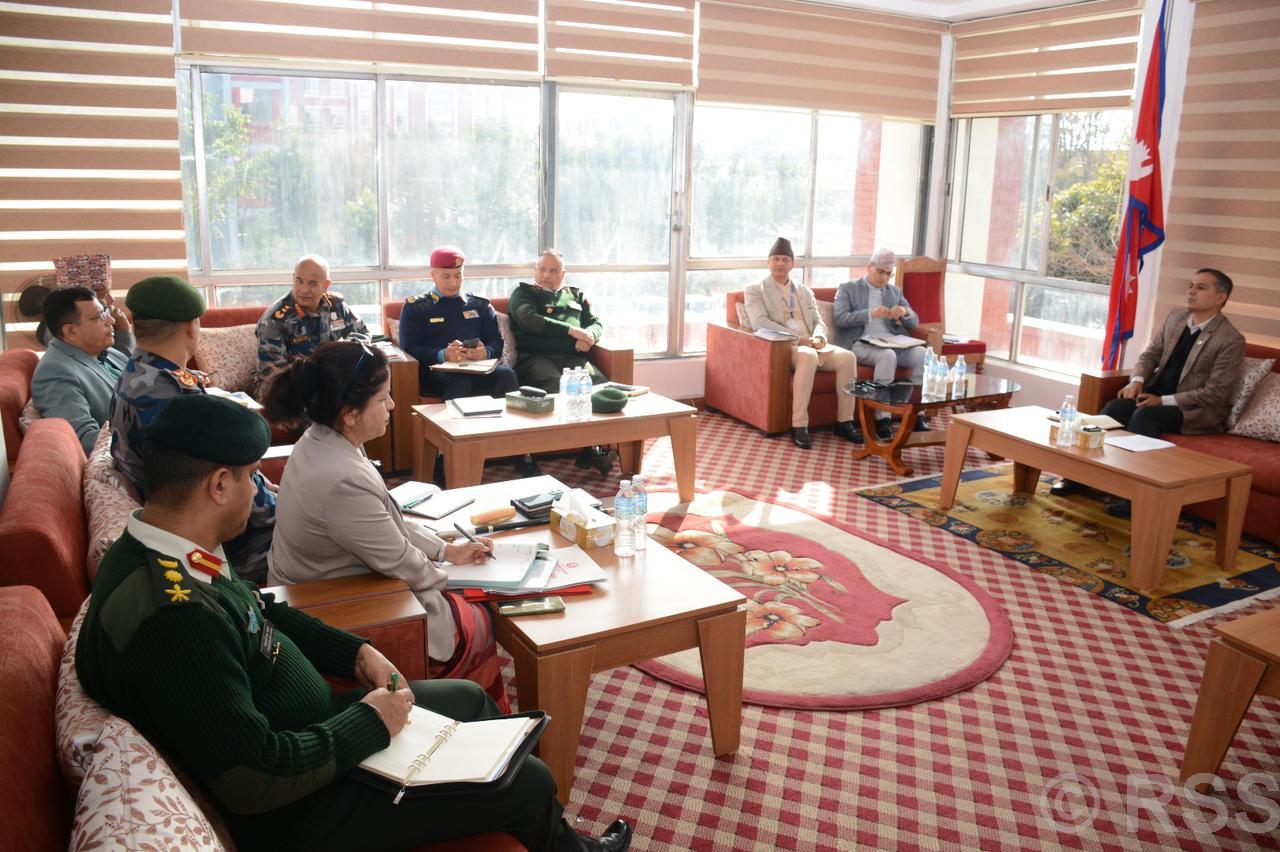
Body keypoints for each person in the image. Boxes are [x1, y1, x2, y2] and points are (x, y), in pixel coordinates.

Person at [75, 393, 633, 852]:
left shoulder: (165, 546)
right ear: (218, 485)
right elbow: (255, 777)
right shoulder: (175, 617)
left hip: (312, 731)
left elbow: (260, 611)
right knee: (529, 781)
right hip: (304, 804)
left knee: (468, 699)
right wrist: (370, 722)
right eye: (252, 477)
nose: (260, 490)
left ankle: (554, 839)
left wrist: (354, 653)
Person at [264, 339, 510, 711]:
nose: (392, 406)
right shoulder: (342, 479)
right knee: (477, 617)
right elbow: (400, 560)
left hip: (319, 582)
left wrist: (447, 550)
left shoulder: (322, 440)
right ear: (349, 412)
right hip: (332, 601)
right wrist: (455, 580)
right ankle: (474, 716)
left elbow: (383, 519)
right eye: (383, 399)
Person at [109, 274, 277, 583]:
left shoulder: (132, 376)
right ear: (191, 327)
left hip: (182, 523)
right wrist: (288, 506)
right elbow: (235, 497)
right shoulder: (175, 400)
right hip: (222, 543)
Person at [1051, 267, 1246, 517]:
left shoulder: (1230, 339)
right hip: (1153, 395)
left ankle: (1137, 498)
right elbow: (1150, 354)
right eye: (1190, 285)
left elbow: (1216, 392)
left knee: (1145, 416)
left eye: (1200, 287)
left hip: (1193, 410)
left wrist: (1162, 401)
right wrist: (1137, 380)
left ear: (1220, 297)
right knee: (1114, 408)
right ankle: (1078, 477)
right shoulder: (1176, 318)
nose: (1191, 291)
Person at [744, 237, 861, 449]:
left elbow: (818, 321)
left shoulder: (804, 291)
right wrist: (799, 339)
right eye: (776, 259)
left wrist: (820, 337)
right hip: (784, 347)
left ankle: (844, 421)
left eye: (785, 259)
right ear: (768, 262)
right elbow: (759, 322)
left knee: (848, 357)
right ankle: (799, 425)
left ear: (792, 264)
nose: (780, 263)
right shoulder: (755, 289)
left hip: (813, 344)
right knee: (808, 356)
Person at [508, 249, 614, 473]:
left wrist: (590, 336)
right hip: (535, 358)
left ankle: (591, 449)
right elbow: (529, 319)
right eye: (542, 269)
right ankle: (526, 455)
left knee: (600, 387)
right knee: (557, 386)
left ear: (563, 274)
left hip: (573, 358)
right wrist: (572, 331)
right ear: (535, 271)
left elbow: (595, 322)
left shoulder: (575, 295)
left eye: (553, 271)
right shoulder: (524, 293)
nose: (546, 275)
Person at [399, 245, 519, 400]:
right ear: (433, 275)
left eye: (458, 275)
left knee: (507, 375)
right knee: (460, 380)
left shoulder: (480, 305)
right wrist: (443, 355)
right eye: (446, 276)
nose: (453, 283)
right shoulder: (416, 308)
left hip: (478, 368)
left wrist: (486, 352)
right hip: (436, 372)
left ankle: (509, 417)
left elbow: (496, 342)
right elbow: (409, 348)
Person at [833, 248, 929, 439]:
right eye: (880, 272)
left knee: (922, 354)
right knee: (887, 356)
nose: (884, 278)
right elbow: (840, 319)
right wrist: (870, 313)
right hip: (861, 343)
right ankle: (882, 417)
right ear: (869, 266)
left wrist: (904, 312)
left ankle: (914, 412)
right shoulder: (848, 288)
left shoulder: (894, 292)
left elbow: (914, 322)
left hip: (891, 341)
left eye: (888, 274)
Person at [253, 254, 369, 398]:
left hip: (329, 384)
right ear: (293, 279)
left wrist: (344, 350)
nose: (304, 290)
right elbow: (273, 374)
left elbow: (363, 333)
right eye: (299, 281)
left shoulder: (336, 306)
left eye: (312, 283)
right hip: (286, 391)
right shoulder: (275, 319)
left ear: (326, 285)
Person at [31, 286, 130, 454]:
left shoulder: (106, 351)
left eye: (105, 312)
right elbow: (84, 439)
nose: (111, 321)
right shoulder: (55, 372)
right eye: (98, 317)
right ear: (71, 331)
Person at [52, 252, 134, 353]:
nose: (112, 300)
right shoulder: (63, 333)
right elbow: (107, 361)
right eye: (102, 296)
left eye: (109, 292)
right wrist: (124, 332)